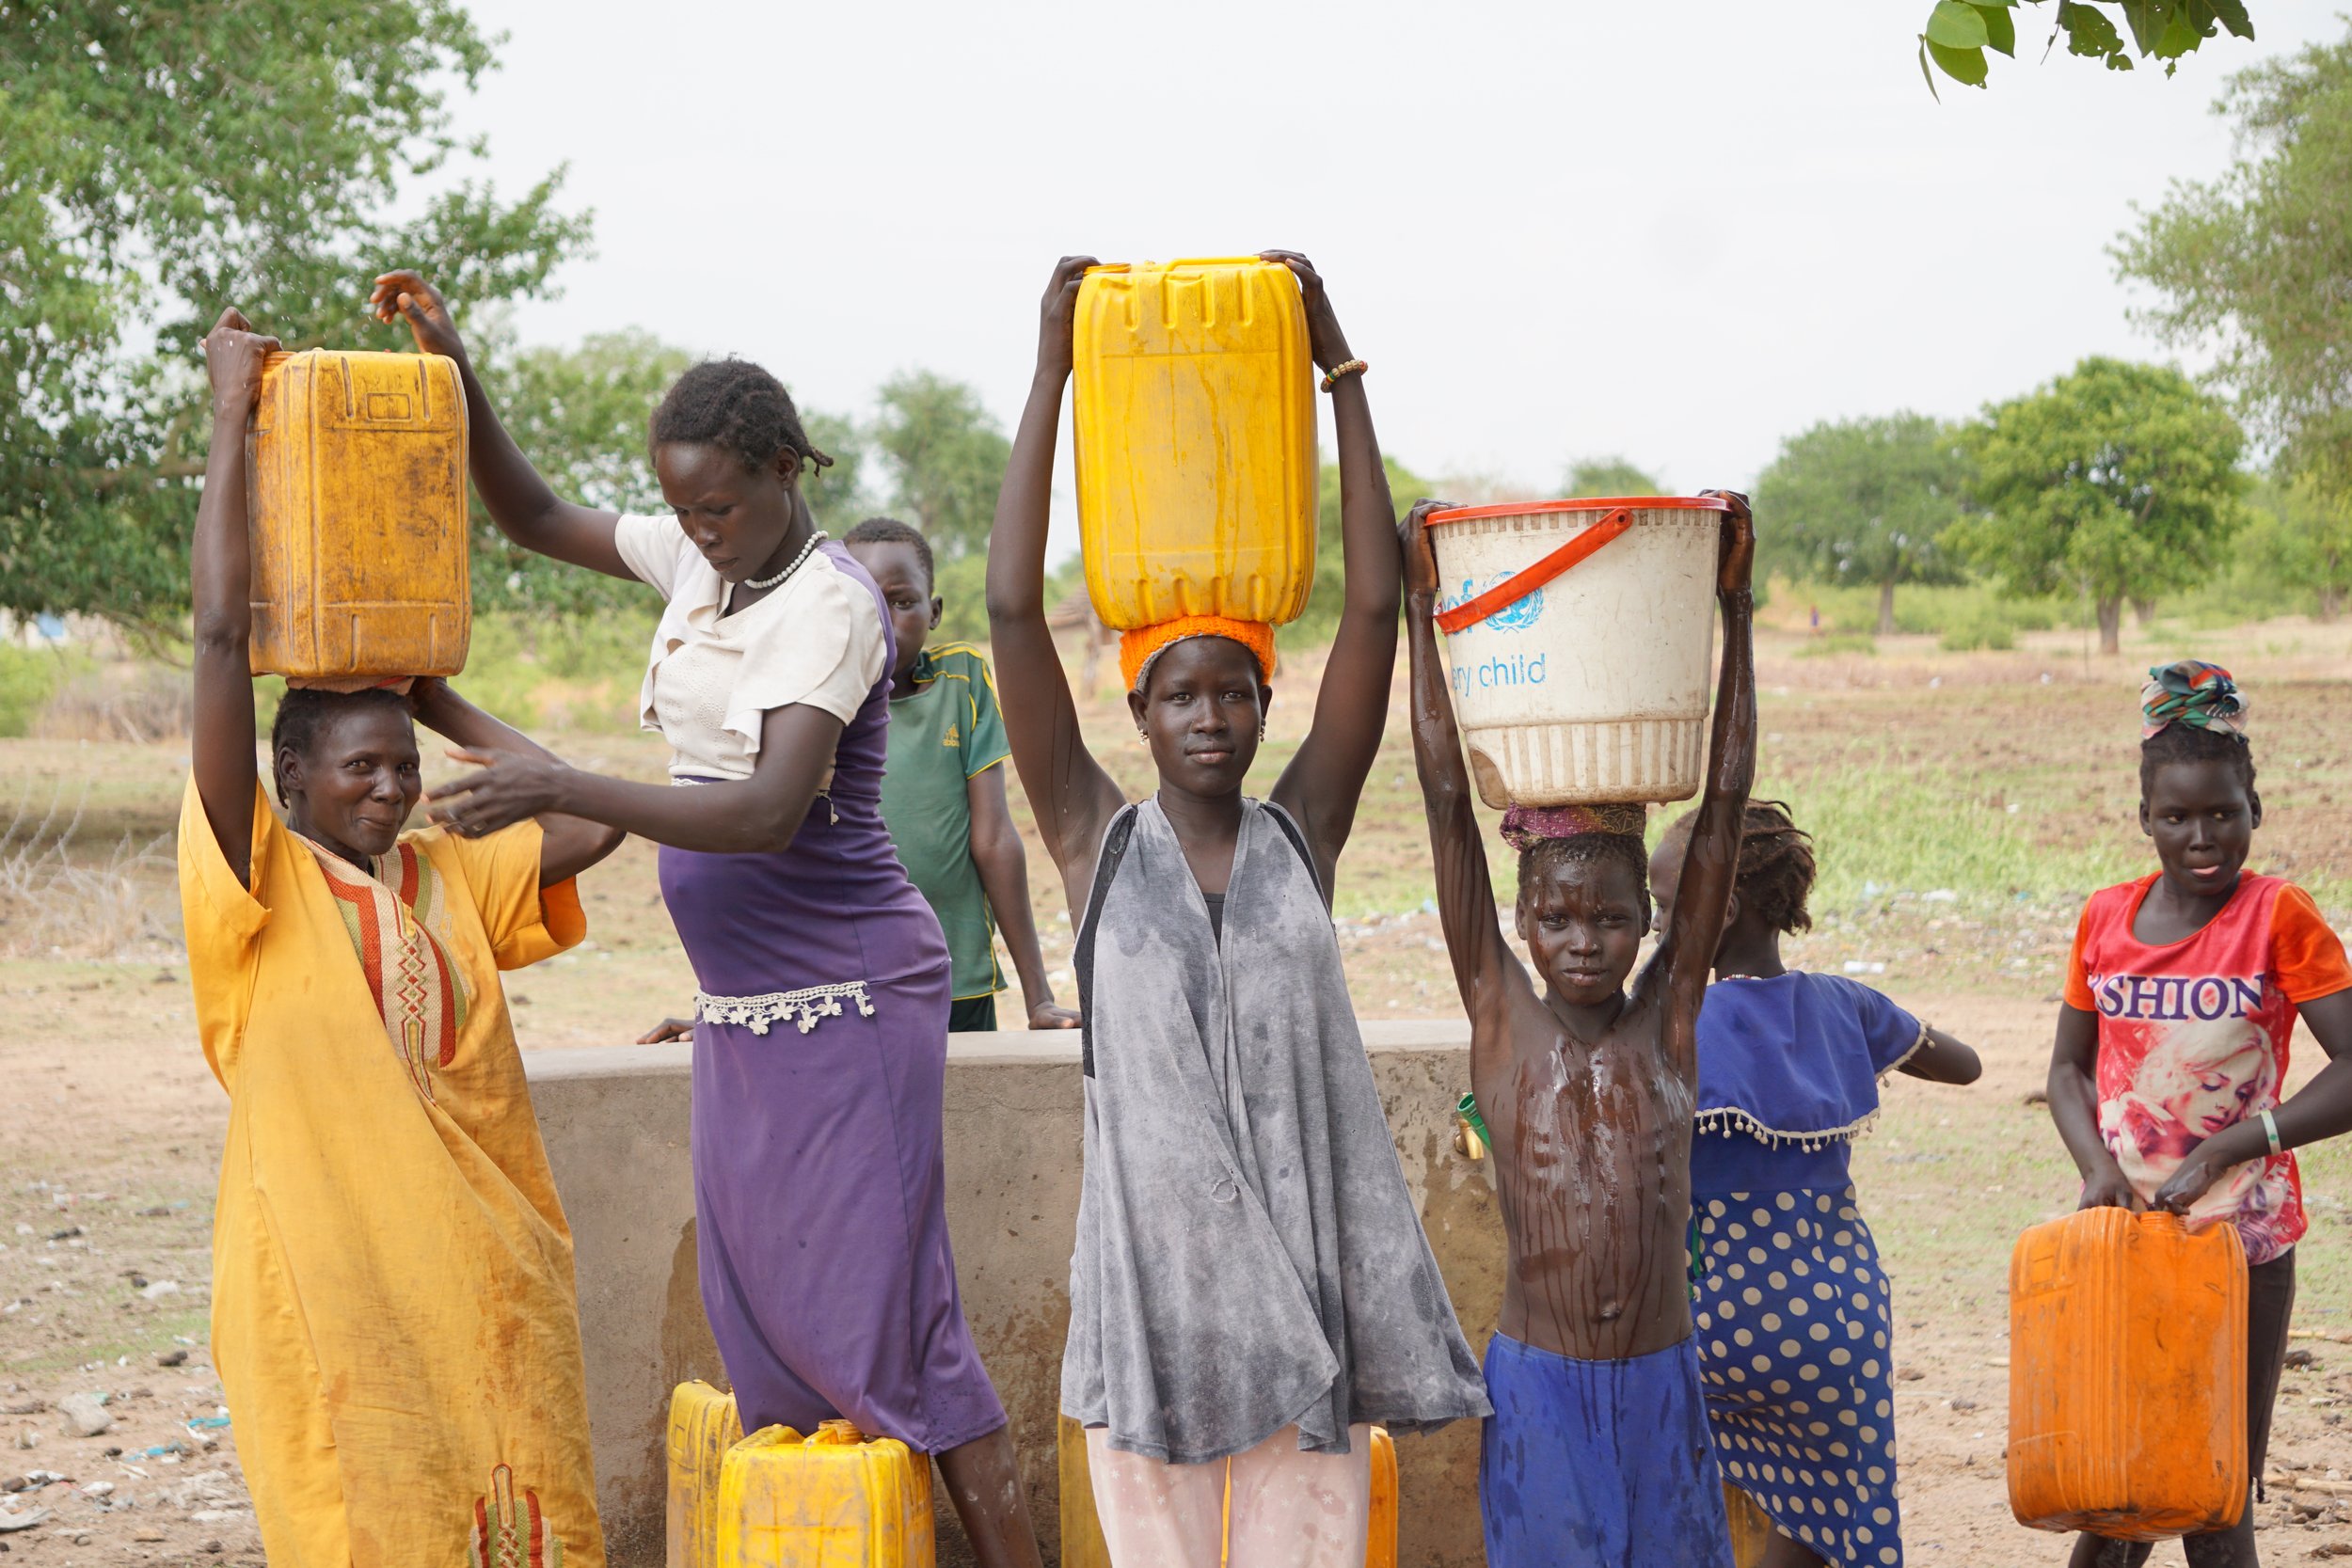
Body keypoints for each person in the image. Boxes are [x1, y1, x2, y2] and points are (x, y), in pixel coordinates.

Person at [366, 270, 1046, 1566]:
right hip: (745, 1010)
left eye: (719, 503)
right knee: (767, 1311)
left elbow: (769, 811)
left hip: (850, 996)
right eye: (682, 505)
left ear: (787, 468)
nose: (699, 528)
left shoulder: (835, 604)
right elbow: (530, 511)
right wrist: (453, 365)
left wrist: (565, 782)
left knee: (891, 1314)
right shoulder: (697, 553)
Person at [988, 252, 1488, 1568]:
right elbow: (1007, 609)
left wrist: (1340, 368)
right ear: (1138, 711)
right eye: (1181, 696)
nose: (1210, 717)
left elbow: (1378, 601)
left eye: (1235, 693)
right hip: (1154, 1308)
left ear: (1267, 703)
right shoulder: (1095, 838)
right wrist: (1051, 366)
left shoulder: (1299, 833)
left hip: (1300, 1297)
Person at [183, 309, 624, 1567]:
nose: (388, 788)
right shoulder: (254, 884)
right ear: (289, 776)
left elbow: (591, 813)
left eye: (404, 763)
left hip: (491, 1294)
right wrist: (229, 414)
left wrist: (438, 689)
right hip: (335, 1300)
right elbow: (221, 641)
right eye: (361, 767)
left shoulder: (446, 872)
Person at [1403, 488, 1756, 1568]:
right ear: (1520, 920)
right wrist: (1424, 616)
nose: (1584, 939)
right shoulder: (1498, 1012)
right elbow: (1442, 798)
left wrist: (1735, 609)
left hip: (1661, 1374)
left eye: (1611, 916)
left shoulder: (1670, 1015)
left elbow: (1726, 803)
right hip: (1539, 1380)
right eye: (1555, 916)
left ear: (1649, 920)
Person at [2046, 660, 2352, 1568]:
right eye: (2176, 816)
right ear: (2145, 820)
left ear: (2255, 804)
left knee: (2212, 1496)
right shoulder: (2106, 917)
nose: (2203, 836)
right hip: (2122, 1244)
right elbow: (2066, 1070)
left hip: (2243, 1249)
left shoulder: (2278, 915)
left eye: (2223, 811)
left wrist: (2232, 1142)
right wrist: (2098, 1171)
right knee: (2111, 1484)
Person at [1649, 801, 1982, 1568]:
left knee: (1674, 1479)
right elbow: (1962, 1063)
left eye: (1668, 908)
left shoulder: (1671, 1019)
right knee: (1821, 1511)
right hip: (1836, 1321)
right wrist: (1887, 1035)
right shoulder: (1843, 1005)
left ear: (1719, 910)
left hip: (1709, 1316)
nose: (1656, 927)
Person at [844, 516, 1076, 1033]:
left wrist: (1038, 998)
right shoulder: (816, 710)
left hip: (957, 973)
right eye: (862, 604)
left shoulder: (961, 681)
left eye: (902, 602)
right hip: (846, 983)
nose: (882, 621)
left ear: (934, 611)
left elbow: (993, 838)